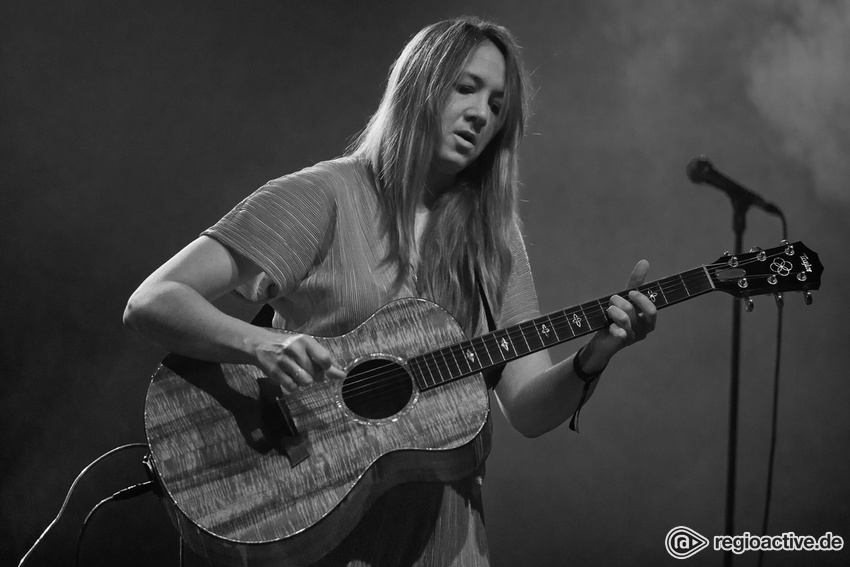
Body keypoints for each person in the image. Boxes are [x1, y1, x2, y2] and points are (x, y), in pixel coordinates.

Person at [124, 16, 657, 567]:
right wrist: (262, 345)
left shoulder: (494, 241)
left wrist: (595, 356)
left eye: (498, 105)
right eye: (465, 87)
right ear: (418, 86)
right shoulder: (322, 196)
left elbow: (527, 409)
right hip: (313, 522)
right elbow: (153, 302)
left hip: (444, 543)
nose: (481, 113)